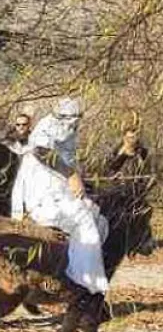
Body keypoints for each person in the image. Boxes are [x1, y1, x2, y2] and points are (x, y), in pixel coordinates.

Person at [12, 98, 109, 299]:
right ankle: (82, 280)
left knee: (97, 216)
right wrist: (71, 176)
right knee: (84, 220)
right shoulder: (47, 127)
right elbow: (41, 151)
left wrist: (78, 178)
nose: (75, 125)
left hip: (56, 188)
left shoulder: (63, 130)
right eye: (74, 121)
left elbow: (67, 160)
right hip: (42, 195)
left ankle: (71, 270)